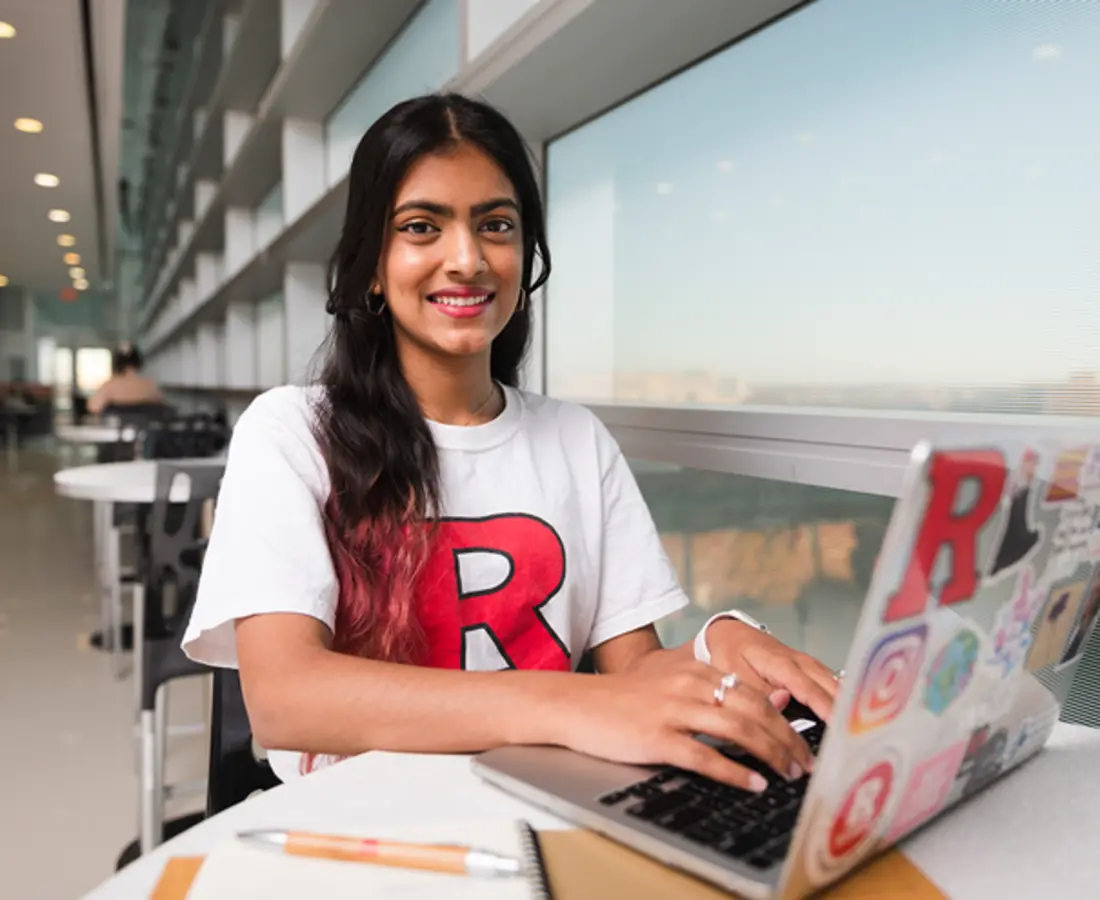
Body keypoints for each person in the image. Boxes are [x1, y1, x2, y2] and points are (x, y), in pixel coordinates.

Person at [182, 93, 838, 790]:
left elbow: (633, 675)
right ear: (372, 264)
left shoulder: (575, 440)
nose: (466, 259)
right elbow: (287, 701)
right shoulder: (290, 433)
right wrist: (567, 702)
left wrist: (718, 645)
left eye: (495, 225)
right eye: (421, 227)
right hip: (360, 833)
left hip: (545, 812)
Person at [86, 342, 163, 415]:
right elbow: (161, 408)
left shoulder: (110, 386)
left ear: (116, 363)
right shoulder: (150, 386)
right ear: (138, 361)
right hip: (143, 427)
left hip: (115, 427)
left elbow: (93, 407)